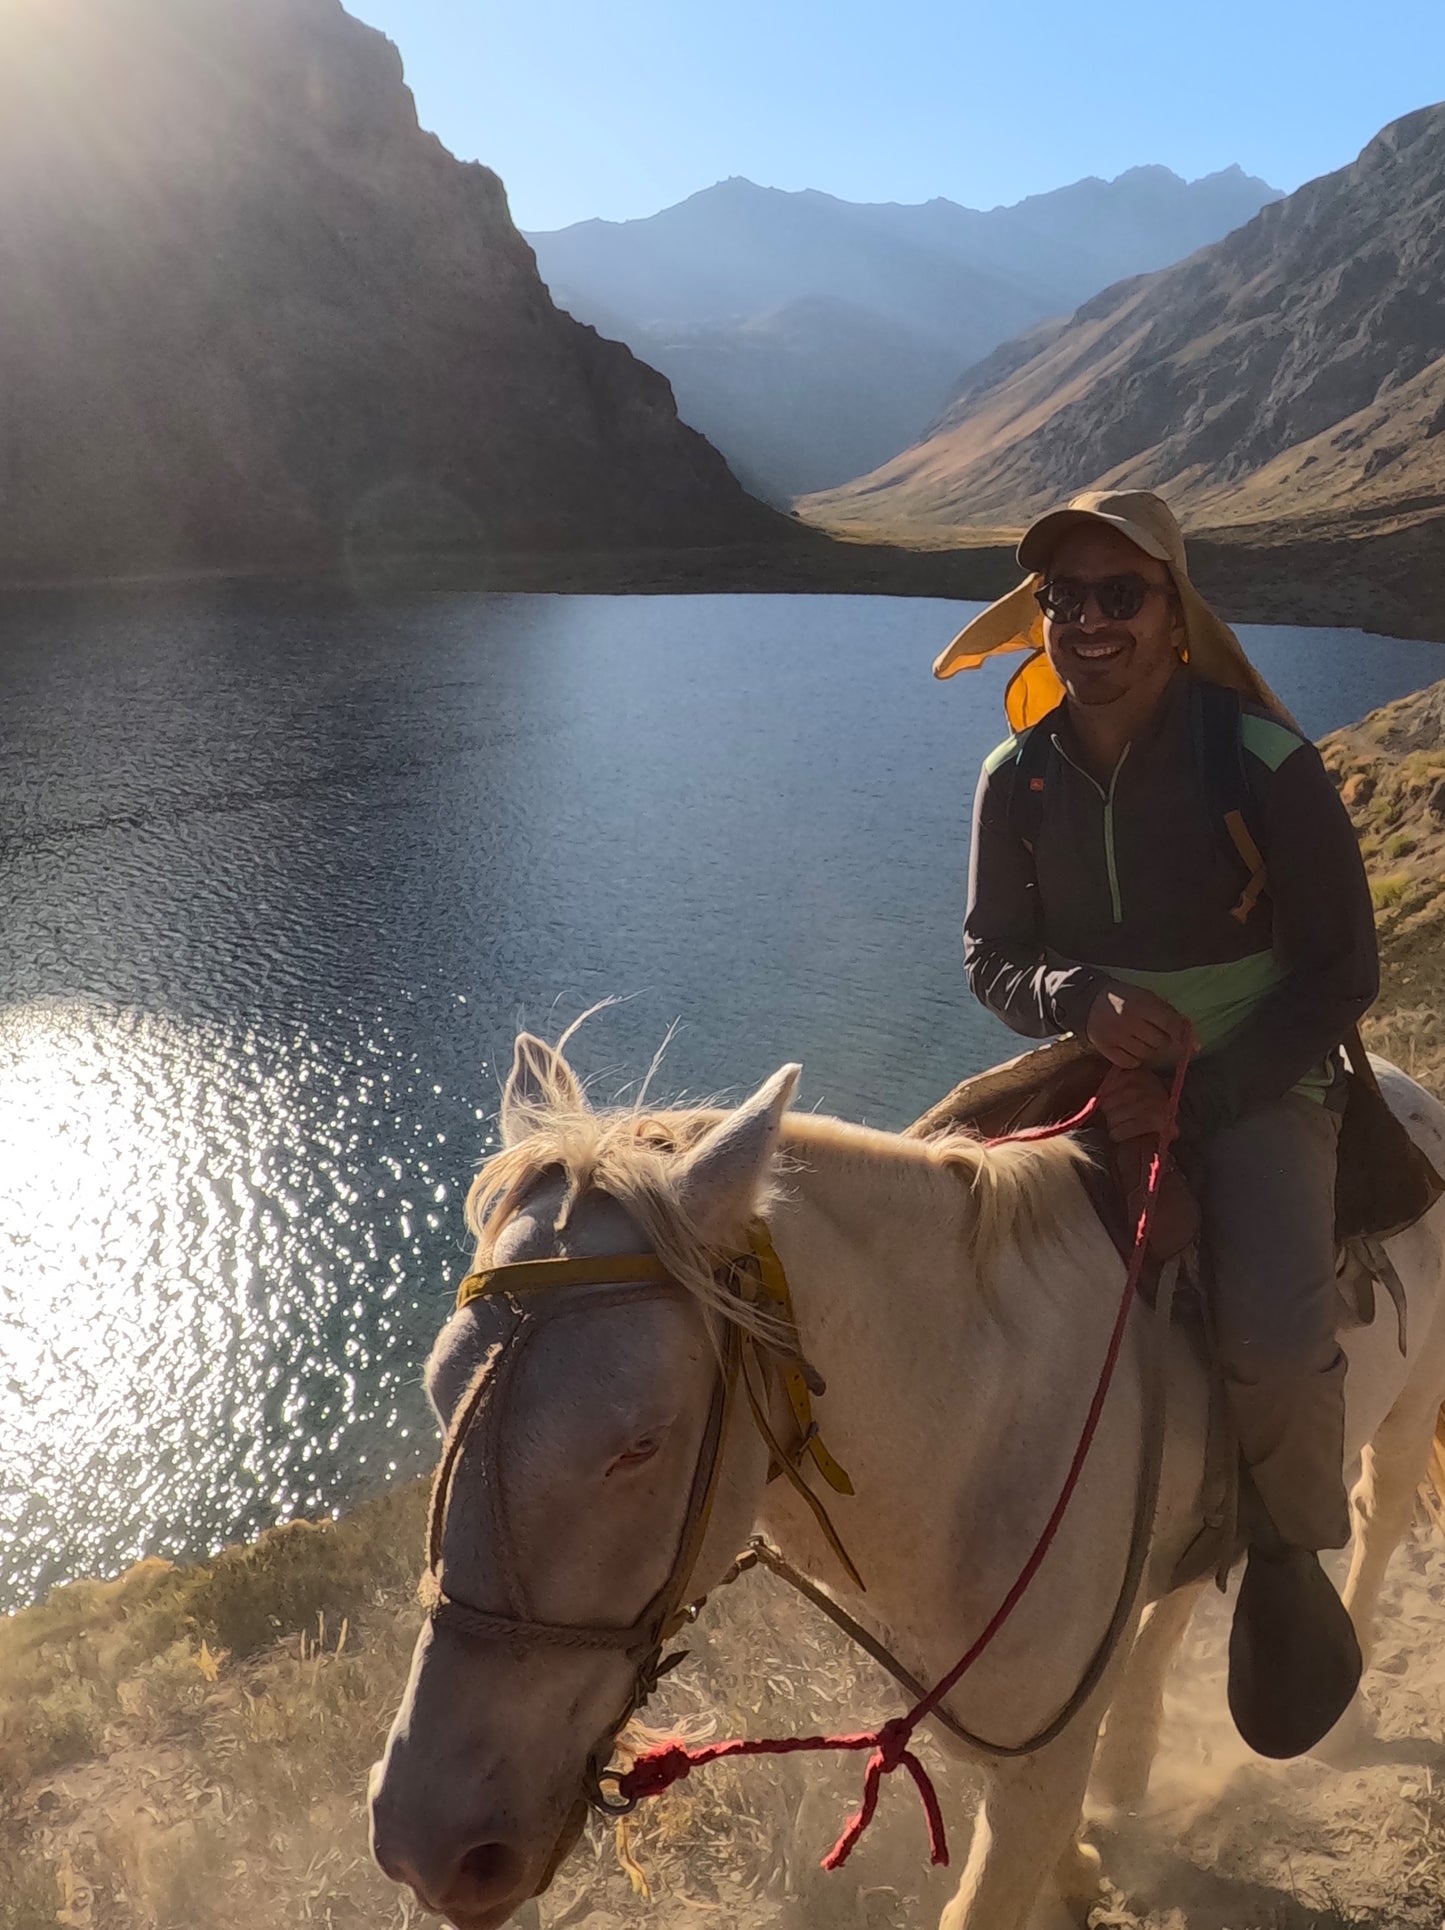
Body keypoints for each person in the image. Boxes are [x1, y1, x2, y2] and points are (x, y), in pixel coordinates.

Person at [937, 489, 1379, 1754]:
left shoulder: (1258, 761)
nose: (1084, 621)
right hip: (1096, 1064)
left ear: (1173, 613)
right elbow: (991, 956)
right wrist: (1076, 1000)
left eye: (1116, 594)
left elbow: (1340, 972)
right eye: (1060, 599)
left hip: (1258, 1072)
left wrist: (1220, 1087)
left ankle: (1288, 1550)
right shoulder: (1011, 779)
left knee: (1279, 1344)